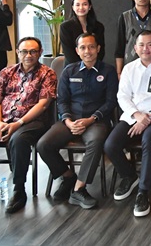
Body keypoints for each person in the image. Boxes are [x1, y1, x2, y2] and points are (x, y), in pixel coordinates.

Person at [0, 37, 56, 214]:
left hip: (32, 121)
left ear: (40, 52)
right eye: (24, 51)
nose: (28, 55)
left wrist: (18, 123)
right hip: (3, 118)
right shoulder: (6, 72)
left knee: (18, 140)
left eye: (33, 51)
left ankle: (19, 190)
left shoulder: (47, 73)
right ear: (18, 53)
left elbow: (43, 104)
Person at [37, 33, 118, 209]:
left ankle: (78, 189)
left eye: (91, 47)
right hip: (70, 120)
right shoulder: (69, 71)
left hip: (96, 120)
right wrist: (67, 121)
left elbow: (111, 102)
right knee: (43, 145)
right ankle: (68, 176)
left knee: (96, 141)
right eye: (83, 47)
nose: (87, 51)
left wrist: (91, 119)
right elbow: (62, 100)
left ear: (98, 49)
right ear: (77, 51)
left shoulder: (108, 71)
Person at [104, 30, 151, 217]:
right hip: (133, 116)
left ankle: (143, 192)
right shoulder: (129, 68)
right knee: (110, 145)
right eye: (141, 45)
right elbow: (122, 96)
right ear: (135, 48)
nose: (146, 48)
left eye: (150, 44)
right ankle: (129, 176)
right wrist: (137, 115)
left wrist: (147, 119)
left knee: (149, 140)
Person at [60, 0, 106, 65]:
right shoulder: (65, 27)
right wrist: (83, 67)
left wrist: (92, 66)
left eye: (85, 4)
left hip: (95, 66)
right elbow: (69, 53)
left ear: (89, 7)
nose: (81, 8)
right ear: (73, 7)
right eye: (77, 5)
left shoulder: (98, 26)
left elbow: (101, 51)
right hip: (73, 67)